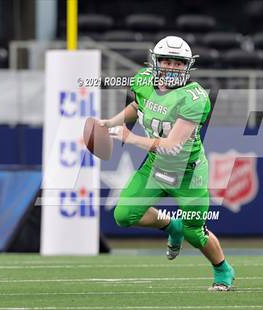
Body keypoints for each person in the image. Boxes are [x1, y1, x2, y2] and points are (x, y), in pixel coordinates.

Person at [99, 36, 235, 291]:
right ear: (155, 61)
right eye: (166, 60)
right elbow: (137, 106)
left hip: (188, 172)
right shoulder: (143, 80)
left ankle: (223, 269)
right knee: (124, 215)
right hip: (155, 166)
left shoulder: (194, 98)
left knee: (195, 232)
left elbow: (172, 144)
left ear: (188, 67)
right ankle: (172, 226)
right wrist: (110, 122)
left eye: (178, 62)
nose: (171, 66)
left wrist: (129, 137)